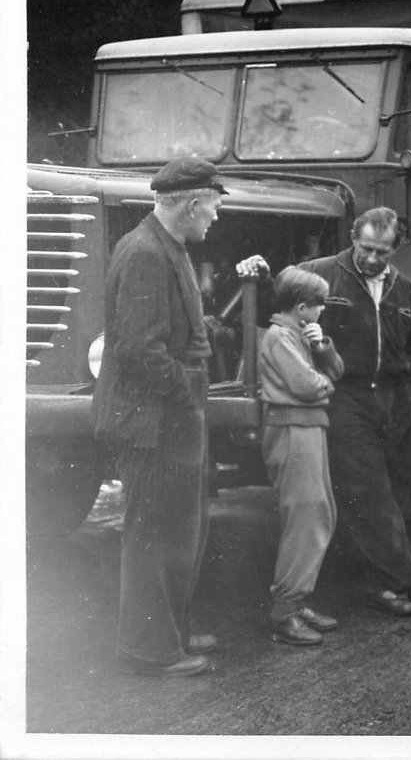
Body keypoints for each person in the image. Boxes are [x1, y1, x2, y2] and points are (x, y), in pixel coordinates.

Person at [91, 155, 227, 677]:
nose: (214, 218)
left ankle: (172, 632)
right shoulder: (148, 253)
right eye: (212, 208)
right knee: (155, 534)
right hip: (155, 422)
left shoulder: (164, 245)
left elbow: (162, 331)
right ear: (192, 204)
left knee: (178, 530)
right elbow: (139, 349)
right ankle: (149, 649)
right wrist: (186, 394)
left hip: (167, 418)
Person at [294, 208, 411, 617]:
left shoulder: (406, 290)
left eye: (382, 251)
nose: (373, 259)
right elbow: (279, 308)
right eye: (366, 248)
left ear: (395, 249)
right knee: (370, 493)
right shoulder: (319, 274)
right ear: (352, 239)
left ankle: (383, 588)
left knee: (404, 489)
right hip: (348, 397)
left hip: (395, 398)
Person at [257, 266, 345, 646]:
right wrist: (325, 384)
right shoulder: (279, 337)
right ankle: (286, 610)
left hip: (308, 427)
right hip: (294, 428)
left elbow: (337, 371)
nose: (322, 311)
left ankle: (296, 597)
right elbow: (308, 386)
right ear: (302, 306)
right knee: (306, 516)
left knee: (320, 512)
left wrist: (322, 345)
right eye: (319, 306)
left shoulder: (298, 335)